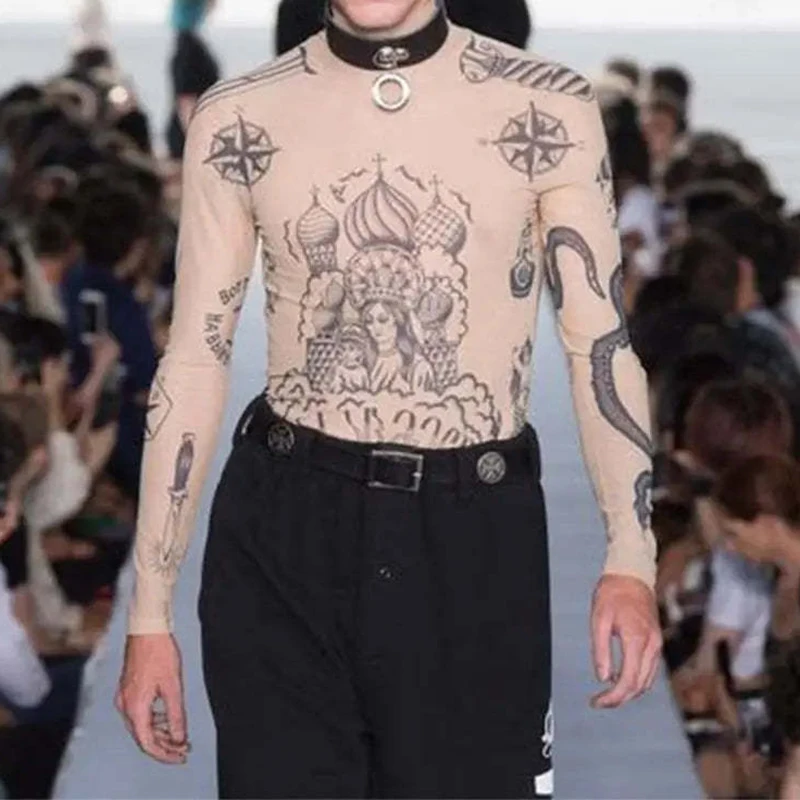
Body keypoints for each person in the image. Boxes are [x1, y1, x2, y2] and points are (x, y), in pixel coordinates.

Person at [117, 1, 661, 797]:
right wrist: (148, 614)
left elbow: (599, 342)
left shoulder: (548, 108)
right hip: (281, 537)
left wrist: (631, 560)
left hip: (472, 543)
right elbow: (195, 358)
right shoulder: (240, 117)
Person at [166, 0, 220, 161]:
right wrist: (198, 143)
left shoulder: (189, 44)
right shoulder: (189, 49)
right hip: (188, 137)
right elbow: (186, 100)